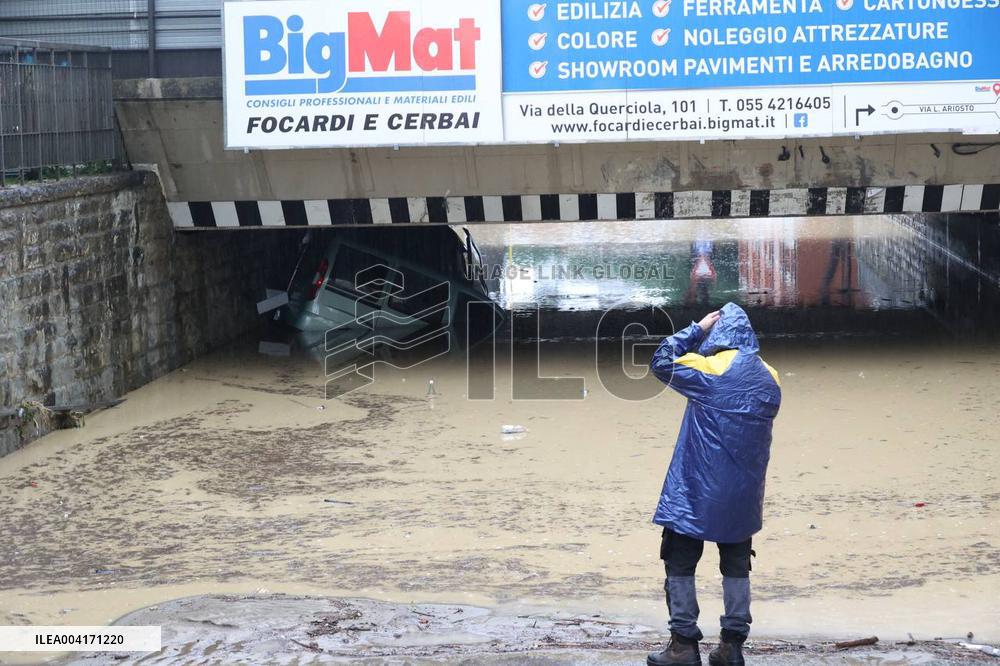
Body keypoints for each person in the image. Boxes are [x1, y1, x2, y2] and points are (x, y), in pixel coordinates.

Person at [646, 303, 782, 666]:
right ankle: (732, 646)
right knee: (736, 567)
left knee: (679, 562)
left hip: (696, 490)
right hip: (744, 495)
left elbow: (661, 361)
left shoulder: (709, 370)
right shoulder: (771, 376)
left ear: (718, 336)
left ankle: (682, 645)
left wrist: (696, 329)